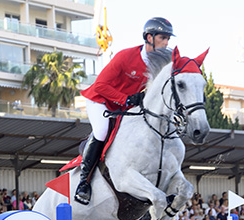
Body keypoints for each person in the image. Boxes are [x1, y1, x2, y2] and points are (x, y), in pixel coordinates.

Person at [74, 17, 175, 205]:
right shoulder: (125, 56)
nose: (166, 42)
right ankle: (84, 183)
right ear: (149, 37)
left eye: (168, 39)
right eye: (163, 37)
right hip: (100, 101)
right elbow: (101, 85)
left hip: (124, 108)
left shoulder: (160, 65)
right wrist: (126, 99)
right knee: (102, 131)